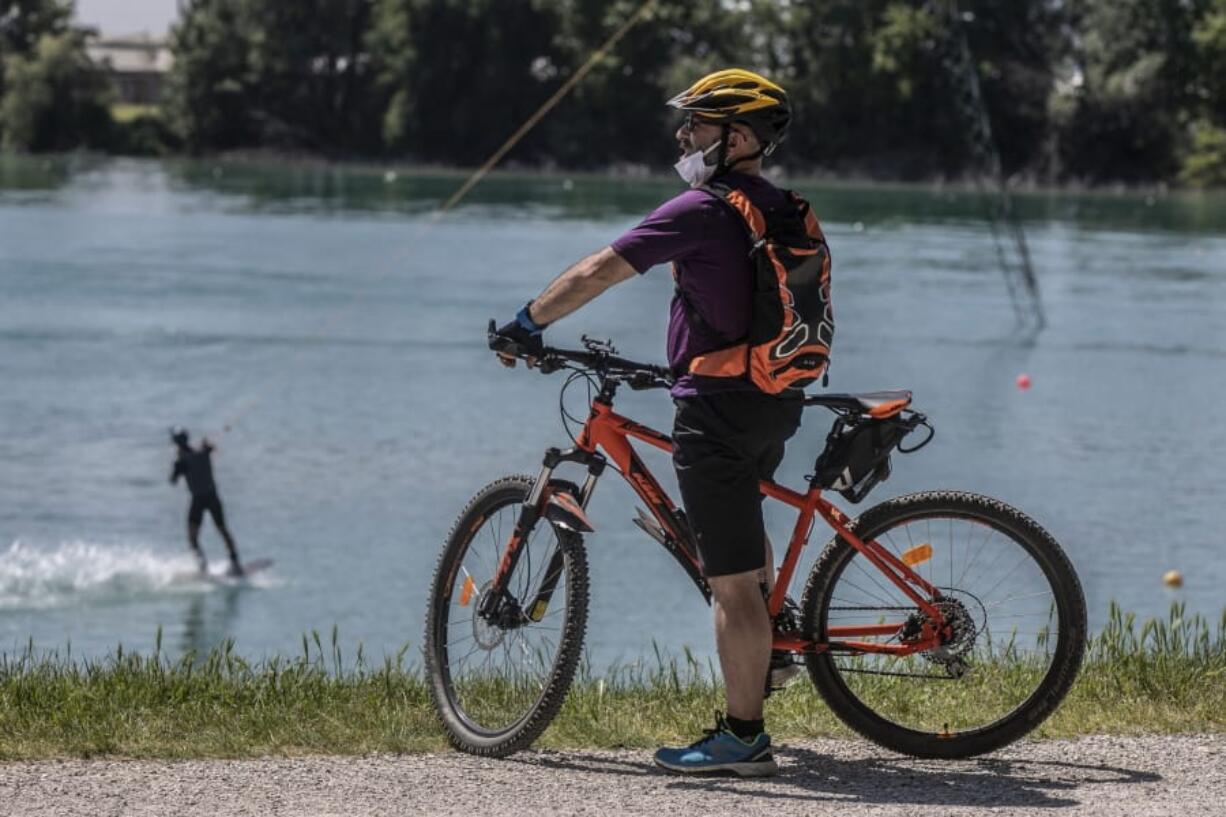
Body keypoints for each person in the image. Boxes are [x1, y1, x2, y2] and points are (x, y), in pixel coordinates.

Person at [493, 69, 823, 777]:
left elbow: (600, 270)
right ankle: (777, 640)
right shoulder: (783, 207)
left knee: (730, 581)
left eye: (698, 125)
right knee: (744, 523)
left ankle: (743, 737)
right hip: (773, 398)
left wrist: (528, 321)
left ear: (737, 137)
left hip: (717, 412)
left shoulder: (703, 209)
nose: (684, 135)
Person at [169, 427, 243, 577]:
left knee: (192, 537)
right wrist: (207, 445)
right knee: (222, 530)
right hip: (211, 498)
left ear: (176, 444)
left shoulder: (182, 462)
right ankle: (235, 562)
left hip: (201, 500)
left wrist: (177, 467)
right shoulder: (203, 452)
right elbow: (210, 449)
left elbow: (172, 481)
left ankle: (202, 566)